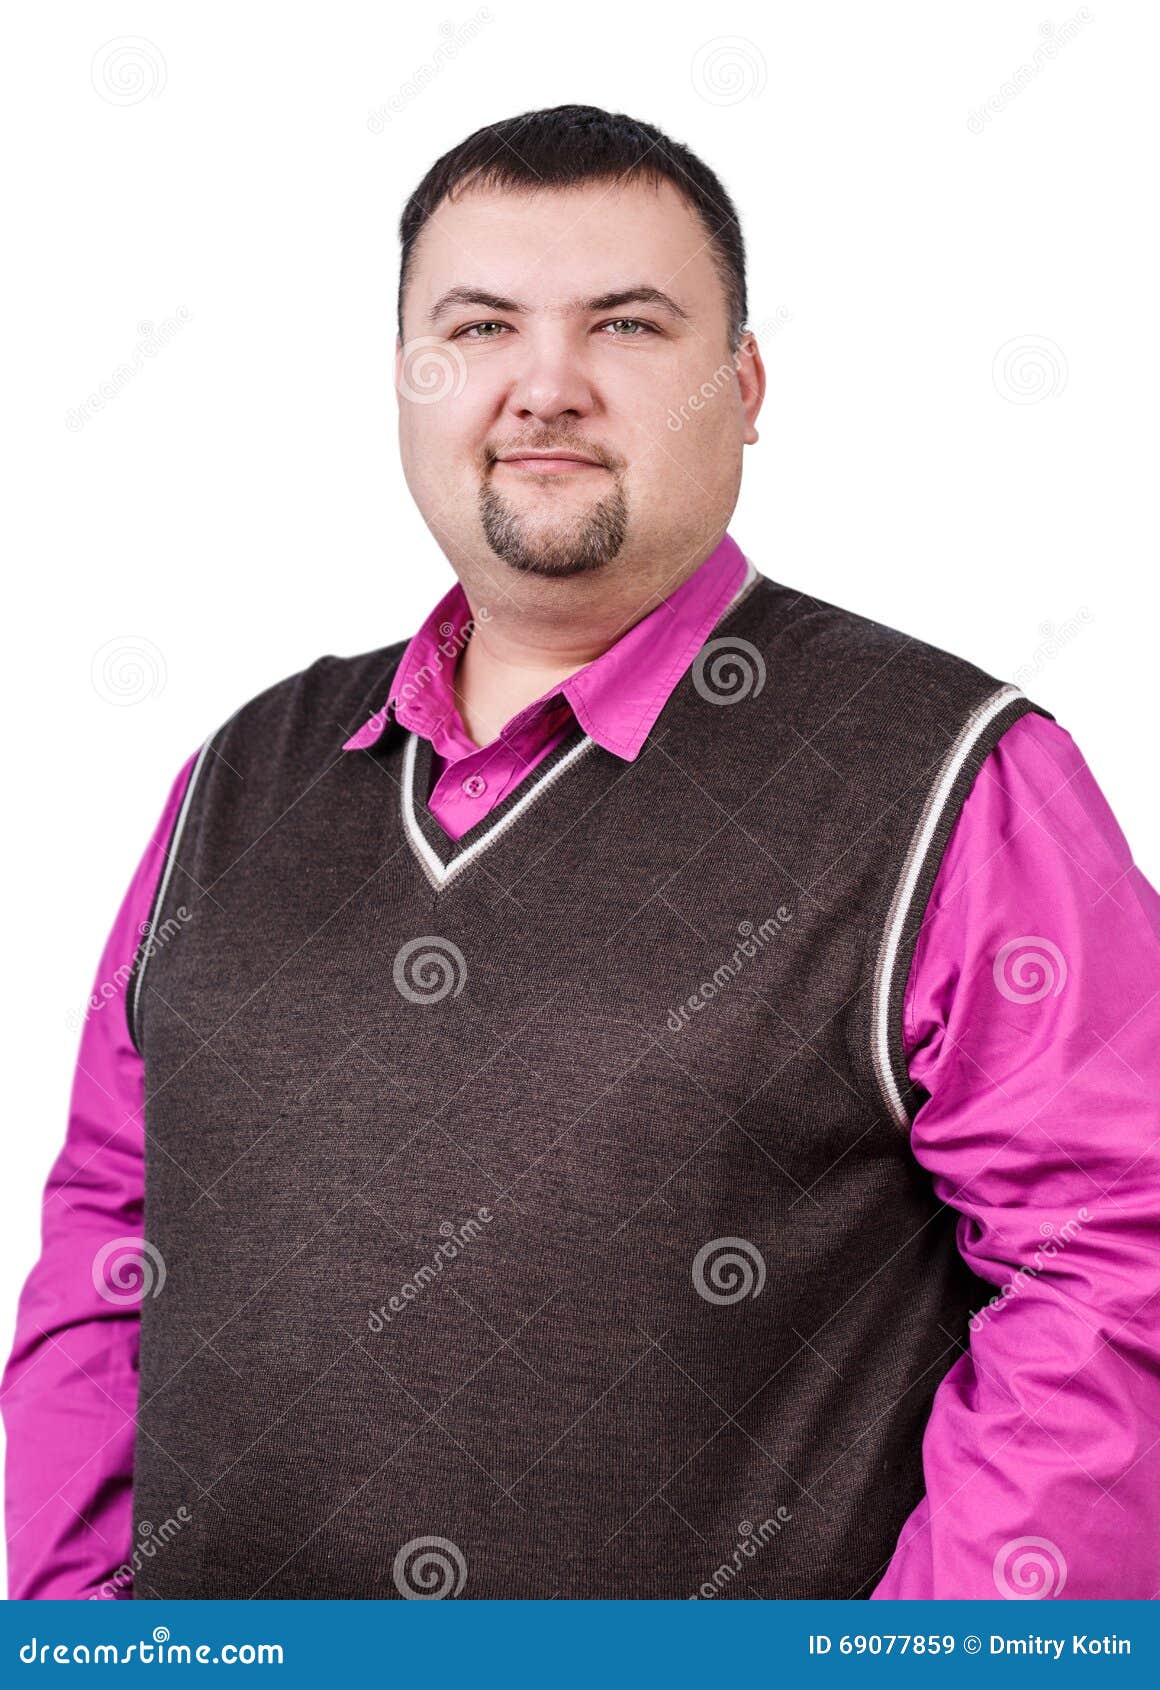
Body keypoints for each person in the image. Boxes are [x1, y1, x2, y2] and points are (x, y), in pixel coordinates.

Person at [4, 103, 1159, 1602]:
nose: (545, 388)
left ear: (743, 388)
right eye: (479, 326)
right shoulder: (247, 771)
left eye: (626, 325)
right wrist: (79, 1629)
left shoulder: (959, 775)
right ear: (407, 384)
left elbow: (1114, 1270)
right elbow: (110, 1234)